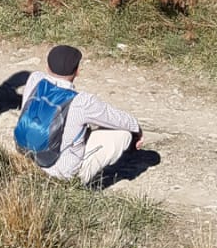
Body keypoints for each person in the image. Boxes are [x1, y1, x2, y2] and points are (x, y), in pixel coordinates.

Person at [13, 44, 142, 185]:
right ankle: (74, 183)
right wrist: (137, 130)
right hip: (61, 176)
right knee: (124, 134)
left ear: (48, 67)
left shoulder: (35, 80)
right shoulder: (82, 102)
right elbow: (119, 119)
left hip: (26, 159)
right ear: (77, 71)